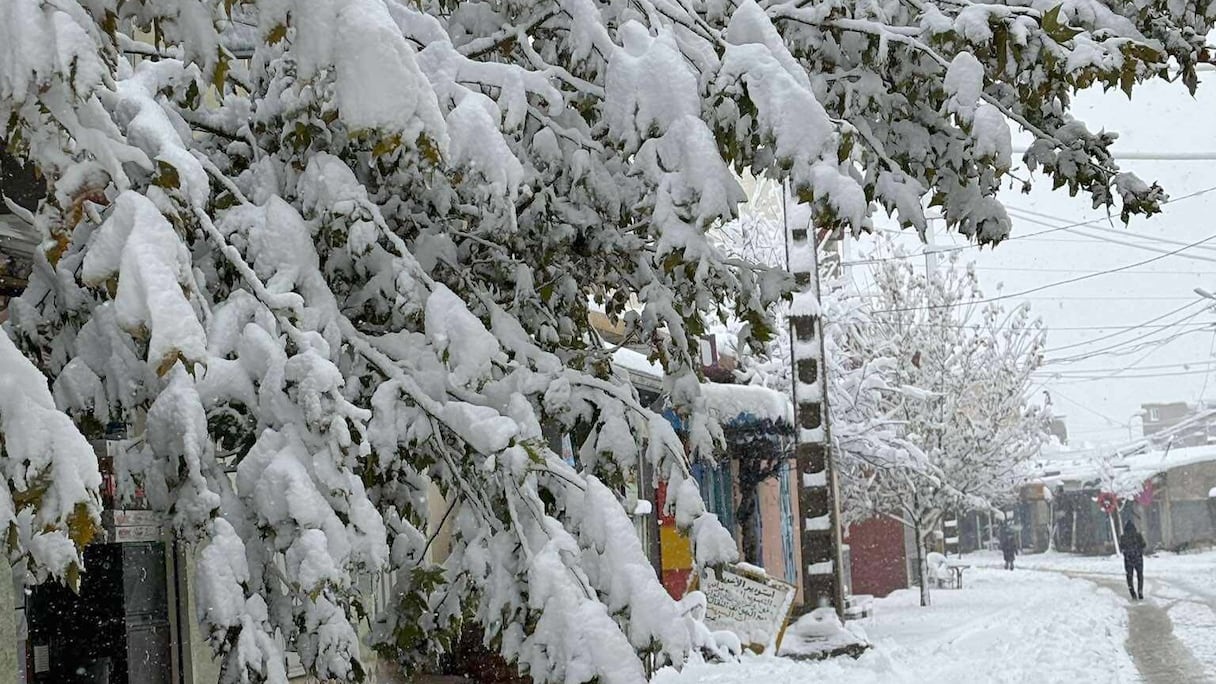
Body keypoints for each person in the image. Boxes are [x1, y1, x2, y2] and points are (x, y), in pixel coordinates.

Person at [1120, 519, 1146, 600]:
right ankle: (1140, 590)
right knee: (1140, 575)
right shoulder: (1138, 535)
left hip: (1128, 560)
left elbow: (1121, 547)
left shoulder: (1123, 537)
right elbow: (1144, 545)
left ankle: (1132, 593)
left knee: (1129, 577)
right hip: (1138, 558)